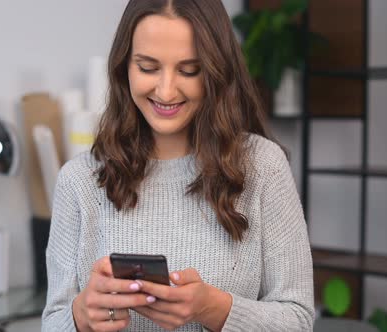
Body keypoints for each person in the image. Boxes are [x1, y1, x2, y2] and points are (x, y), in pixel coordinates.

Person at [42, 0, 314, 331]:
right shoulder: (79, 179)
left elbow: (298, 320)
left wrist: (213, 308)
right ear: (123, 66)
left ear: (216, 71)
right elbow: (53, 321)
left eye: (189, 70)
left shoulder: (262, 167)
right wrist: (81, 315)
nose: (166, 90)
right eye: (147, 68)